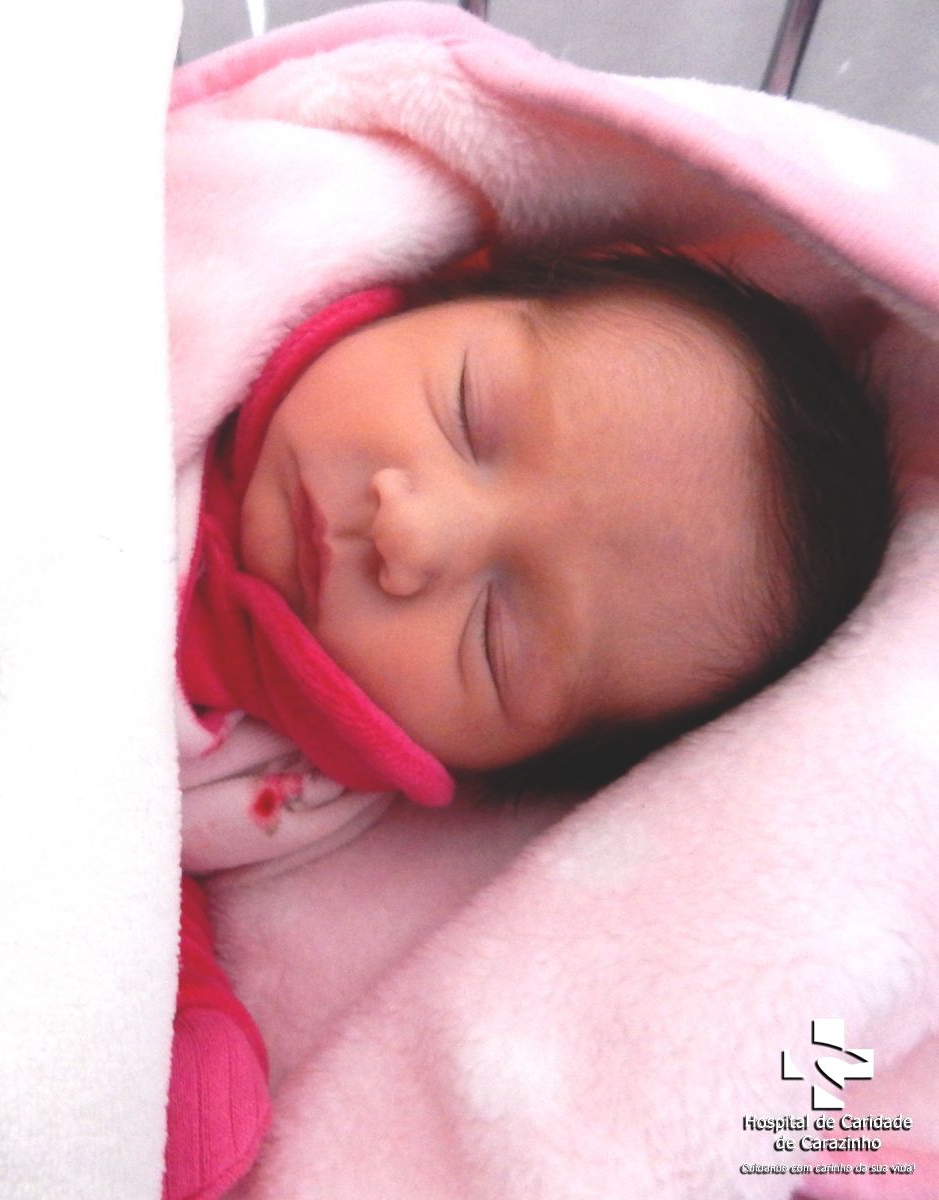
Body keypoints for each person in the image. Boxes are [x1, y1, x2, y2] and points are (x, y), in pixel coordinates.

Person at [161, 245, 897, 1200]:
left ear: (500, 766)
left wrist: (179, 1013)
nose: (410, 530)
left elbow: (115, 869)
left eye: (495, 636)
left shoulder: (288, 792)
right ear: (453, 287)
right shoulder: (186, 324)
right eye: (469, 414)